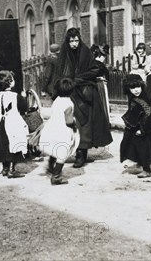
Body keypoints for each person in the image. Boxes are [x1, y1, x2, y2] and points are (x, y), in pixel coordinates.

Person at [52, 28, 113, 168]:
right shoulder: (64, 55)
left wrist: (78, 79)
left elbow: (94, 70)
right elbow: (59, 75)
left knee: (84, 125)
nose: (74, 44)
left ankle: (81, 154)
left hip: (85, 94)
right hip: (69, 93)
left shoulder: (85, 52)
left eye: (76, 40)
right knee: (71, 124)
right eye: (71, 41)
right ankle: (68, 151)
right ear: (67, 42)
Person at [120, 75, 151, 179]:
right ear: (128, 89)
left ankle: (147, 170)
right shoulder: (134, 98)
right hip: (138, 127)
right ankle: (140, 163)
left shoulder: (142, 100)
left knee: (143, 148)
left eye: (138, 87)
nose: (136, 90)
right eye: (133, 88)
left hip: (143, 128)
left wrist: (141, 129)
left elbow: (148, 113)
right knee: (134, 147)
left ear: (142, 86)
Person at [40, 78, 78, 185]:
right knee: (62, 152)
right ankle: (56, 176)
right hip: (63, 130)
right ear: (71, 91)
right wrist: (75, 123)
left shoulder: (56, 100)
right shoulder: (69, 103)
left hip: (52, 128)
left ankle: (51, 166)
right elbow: (68, 121)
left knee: (54, 147)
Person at [0, 70, 28, 178]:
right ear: (10, 82)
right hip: (13, 122)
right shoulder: (15, 96)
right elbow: (23, 108)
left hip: (2, 122)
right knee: (14, 144)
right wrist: (24, 97)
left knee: (4, 145)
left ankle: (5, 168)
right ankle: (12, 170)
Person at [91, 44, 111, 124]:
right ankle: (103, 121)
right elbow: (107, 77)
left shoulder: (90, 63)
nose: (104, 58)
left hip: (92, 85)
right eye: (104, 56)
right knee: (102, 102)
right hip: (100, 85)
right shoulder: (101, 65)